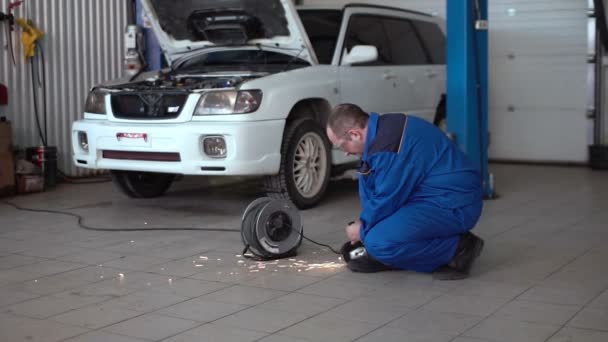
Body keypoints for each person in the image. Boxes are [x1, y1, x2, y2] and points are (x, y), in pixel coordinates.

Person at [326, 103, 485, 280]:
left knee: (379, 243)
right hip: (431, 197)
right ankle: (389, 251)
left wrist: (363, 229)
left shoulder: (390, 147)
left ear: (355, 134)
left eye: (341, 146)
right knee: (373, 233)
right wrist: (365, 224)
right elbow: (376, 191)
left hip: (453, 204)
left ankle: (458, 248)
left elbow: (388, 199)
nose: (346, 153)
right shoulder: (383, 130)